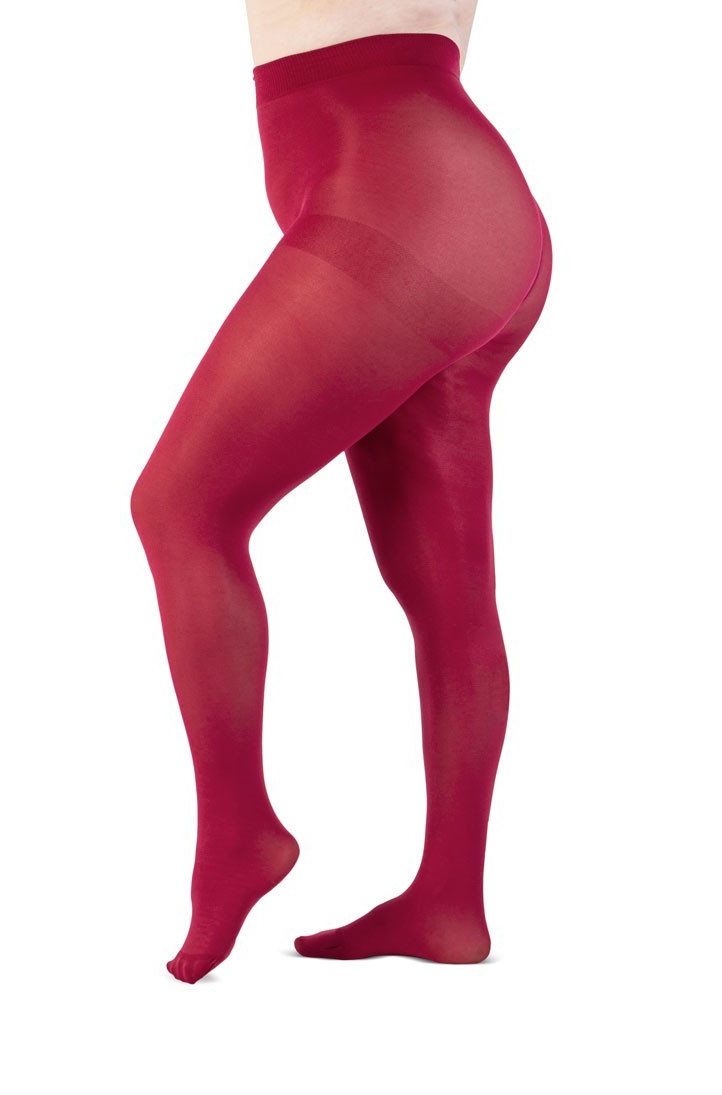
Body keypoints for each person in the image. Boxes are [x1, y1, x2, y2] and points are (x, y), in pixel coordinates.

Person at [131, 0, 553, 985]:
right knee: (448, 597)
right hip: (461, 198)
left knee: (183, 508)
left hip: (400, 199)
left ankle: (239, 833)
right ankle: (450, 904)